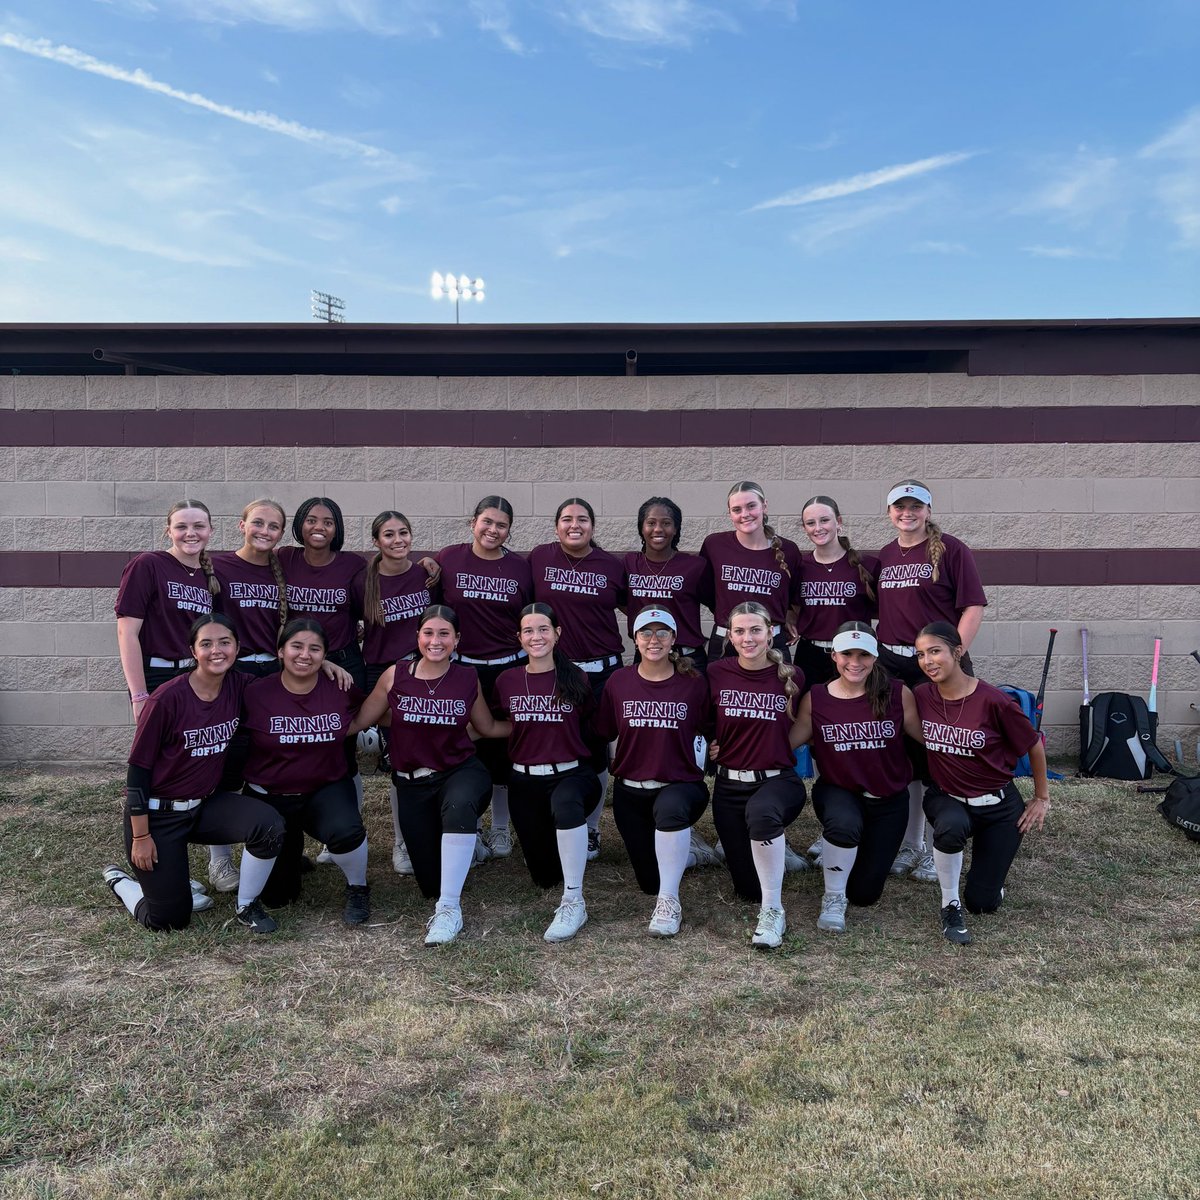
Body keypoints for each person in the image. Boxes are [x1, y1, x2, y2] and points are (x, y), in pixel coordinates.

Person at [101, 614, 285, 934]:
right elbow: (138, 771)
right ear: (193, 650)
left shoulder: (240, 685)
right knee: (170, 920)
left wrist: (325, 663)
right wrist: (142, 836)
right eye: (207, 643)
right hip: (159, 816)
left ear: (238, 648)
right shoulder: (167, 699)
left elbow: (290, 680)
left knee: (268, 825)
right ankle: (123, 883)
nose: (217, 650)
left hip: (202, 807)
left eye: (225, 642)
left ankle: (247, 905)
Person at [348, 605, 512, 946]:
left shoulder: (467, 678)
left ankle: (449, 909)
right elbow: (360, 721)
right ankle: (470, 851)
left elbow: (484, 727)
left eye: (444, 634)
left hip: (460, 772)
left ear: (457, 640)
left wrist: (532, 723)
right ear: (418, 636)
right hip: (412, 783)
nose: (435, 641)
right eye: (428, 633)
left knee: (459, 806)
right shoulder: (396, 674)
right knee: (429, 882)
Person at [114, 499, 239, 894]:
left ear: (211, 531)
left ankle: (220, 863)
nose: (191, 534)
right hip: (157, 677)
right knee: (160, 771)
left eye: (199, 526)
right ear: (168, 529)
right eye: (182, 526)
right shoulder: (148, 565)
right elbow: (127, 632)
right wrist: (138, 693)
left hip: (197, 677)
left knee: (207, 759)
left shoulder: (208, 576)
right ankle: (156, 858)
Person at [876, 479, 987, 884]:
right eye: (899, 507)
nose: (907, 513)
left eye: (915, 506)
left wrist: (954, 654)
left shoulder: (951, 549)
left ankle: (945, 840)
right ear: (889, 512)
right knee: (903, 755)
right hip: (891, 663)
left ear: (927, 509)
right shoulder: (885, 557)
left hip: (938, 662)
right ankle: (911, 844)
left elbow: (972, 606)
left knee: (943, 752)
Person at [913, 622, 1050, 945]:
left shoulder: (994, 701)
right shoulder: (922, 695)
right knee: (949, 826)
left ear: (957, 652)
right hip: (948, 796)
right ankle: (949, 904)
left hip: (999, 805)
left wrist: (1041, 797)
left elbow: (1033, 744)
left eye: (935, 651)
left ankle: (986, 887)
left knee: (983, 903)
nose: (927, 661)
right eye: (920, 654)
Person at [791, 621, 923, 934]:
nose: (854, 661)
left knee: (864, 894)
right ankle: (833, 896)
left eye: (863, 654)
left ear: (875, 656)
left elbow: (927, 738)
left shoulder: (897, 693)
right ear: (834, 655)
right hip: (840, 791)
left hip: (888, 799)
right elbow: (785, 743)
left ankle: (849, 855)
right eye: (847, 653)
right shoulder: (817, 697)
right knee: (844, 825)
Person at [240, 619, 371, 926]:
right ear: (280, 651)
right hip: (271, 796)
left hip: (323, 789)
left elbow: (369, 710)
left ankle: (358, 887)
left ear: (325, 655)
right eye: (296, 646)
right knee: (279, 898)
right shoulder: (253, 692)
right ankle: (290, 851)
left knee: (346, 830)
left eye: (315, 649)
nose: (305, 655)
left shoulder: (340, 687)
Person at [594, 607, 712, 938]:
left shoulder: (692, 684)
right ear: (635, 637)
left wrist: (717, 747)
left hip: (680, 785)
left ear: (674, 638)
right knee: (648, 881)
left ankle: (669, 901)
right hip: (631, 790)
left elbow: (711, 726)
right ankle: (688, 852)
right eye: (646, 632)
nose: (654, 639)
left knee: (671, 811)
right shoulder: (619, 681)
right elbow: (603, 729)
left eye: (662, 632)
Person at [494, 603, 602, 943]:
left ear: (557, 633)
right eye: (528, 630)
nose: (536, 636)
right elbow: (500, 724)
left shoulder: (577, 678)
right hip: (525, 780)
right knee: (543, 876)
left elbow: (591, 726)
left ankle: (574, 900)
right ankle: (559, 863)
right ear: (519, 638)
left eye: (543, 629)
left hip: (570, 774)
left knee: (567, 802)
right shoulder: (507, 680)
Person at [530, 498, 628, 861]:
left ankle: (590, 827)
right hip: (559, 670)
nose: (575, 525)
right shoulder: (539, 558)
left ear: (593, 525)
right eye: (567, 519)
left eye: (583, 519)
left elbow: (638, 605)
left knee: (596, 748)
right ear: (556, 526)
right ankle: (554, 820)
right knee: (560, 746)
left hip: (603, 669)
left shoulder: (612, 566)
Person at [706, 602, 808, 949]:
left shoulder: (793, 676)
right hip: (729, 785)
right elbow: (699, 719)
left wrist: (778, 748)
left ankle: (773, 911)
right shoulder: (716, 673)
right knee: (746, 889)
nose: (747, 638)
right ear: (729, 636)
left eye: (755, 630)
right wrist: (706, 745)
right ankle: (778, 853)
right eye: (739, 631)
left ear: (770, 633)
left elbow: (809, 722)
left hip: (777, 780)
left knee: (762, 814)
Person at [437, 496, 534, 859]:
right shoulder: (449, 558)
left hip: (509, 666)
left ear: (509, 530)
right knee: (467, 746)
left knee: (505, 749)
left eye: (501, 525)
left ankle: (500, 829)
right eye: (487, 522)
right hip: (462, 666)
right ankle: (470, 826)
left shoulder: (520, 568)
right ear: (472, 522)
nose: (493, 530)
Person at [358, 510, 435, 877]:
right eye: (388, 534)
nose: (397, 540)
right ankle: (402, 843)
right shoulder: (365, 582)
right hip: (384, 673)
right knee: (401, 760)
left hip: (423, 670)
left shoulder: (425, 575)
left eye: (403, 532)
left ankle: (436, 832)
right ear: (376, 541)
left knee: (430, 753)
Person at [700, 481, 804, 664]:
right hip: (726, 642)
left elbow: (794, 595)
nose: (745, 514)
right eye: (737, 509)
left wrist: (785, 614)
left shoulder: (789, 550)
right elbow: (706, 592)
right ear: (730, 513)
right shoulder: (714, 545)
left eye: (751, 506)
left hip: (771, 643)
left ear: (764, 506)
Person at [277, 496, 368, 689]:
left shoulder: (353, 564)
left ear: (337, 530)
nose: (319, 527)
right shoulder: (285, 558)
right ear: (301, 524)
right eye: (311, 521)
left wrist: (427, 563)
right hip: (299, 659)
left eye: (328, 522)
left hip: (344, 660)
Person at [793, 495, 879, 693]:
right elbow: (793, 607)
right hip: (810, 655)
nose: (818, 528)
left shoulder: (867, 566)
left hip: (852, 654)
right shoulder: (799, 568)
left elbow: (881, 610)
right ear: (805, 528)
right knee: (811, 712)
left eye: (824, 520)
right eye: (810, 523)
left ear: (838, 522)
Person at [622, 496, 714, 673]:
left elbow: (718, 604)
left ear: (675, 528)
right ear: (641, 528)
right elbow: (619, 600)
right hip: (647, 654)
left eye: (666, 523)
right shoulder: (629, 564)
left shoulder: (695, 566)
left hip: (688, 658)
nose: (658, 529)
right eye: (651, 523)